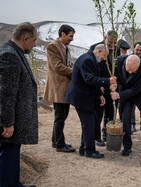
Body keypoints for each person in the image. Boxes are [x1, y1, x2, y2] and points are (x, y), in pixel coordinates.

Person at [0, 22, 38, 187]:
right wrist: (7, 123)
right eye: (34, 40)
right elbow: (6, 93)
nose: (35, 44)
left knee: (13, 155)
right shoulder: (10, 55)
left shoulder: (13, 52)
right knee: (8, 156)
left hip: (15, 118)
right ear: (25, 38)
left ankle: (15, 183)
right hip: (10, 121)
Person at [65, 44, 117, 159]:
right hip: (81, 97)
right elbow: (89, 79)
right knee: (89, 124)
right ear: (98, 51)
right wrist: (108, 81)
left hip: (86, 97)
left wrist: (100, 95)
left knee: (89, 123)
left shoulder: (92, 60)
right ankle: (89, 151)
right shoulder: (87, 60)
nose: (104, 59)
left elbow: (94, 79)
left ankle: (84, 149)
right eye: (104, 56)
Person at [43, 25, 76, 153]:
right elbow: (58, 67)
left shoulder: (65, 47)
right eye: (70, 36)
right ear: (63, 34)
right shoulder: (53, 46)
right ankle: (60, 144)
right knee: (60, 117)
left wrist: (75, 68)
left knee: (62, 115)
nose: (72, 39)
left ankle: (55, 140)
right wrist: (75, 72)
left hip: (64, 87)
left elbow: (67, 64)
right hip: (58, 87)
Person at [89, 30, 119, 145]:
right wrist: (99, 84)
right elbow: (93, 67)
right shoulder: (96, 47)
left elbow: (117, 67)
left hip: (112, 85)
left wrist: (115, 83)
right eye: (110, 42)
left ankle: (108, 133)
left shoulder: (117, 50)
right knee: (98, 113)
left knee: (110, 112)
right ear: (106, 37)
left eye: (114, 43)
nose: (112, 45)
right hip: (100, 84)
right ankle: (97, 137)